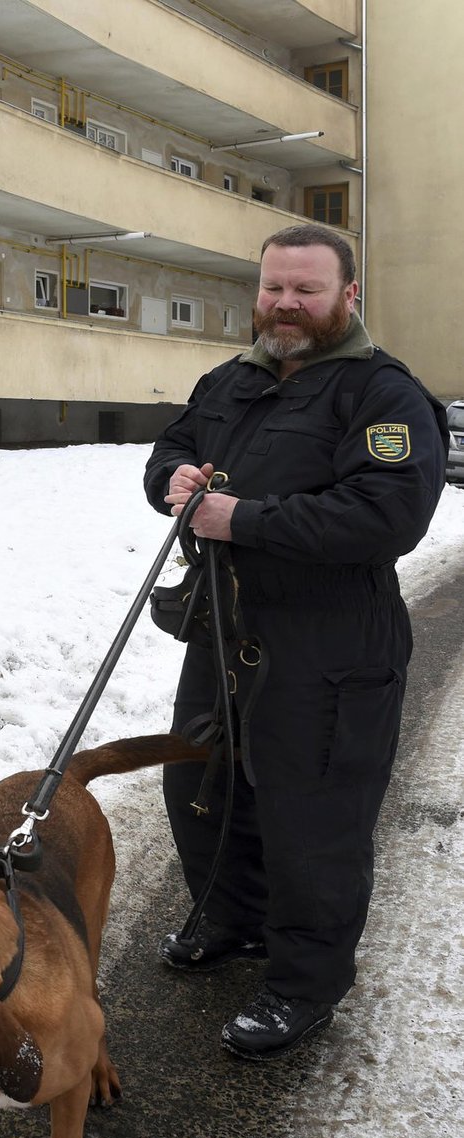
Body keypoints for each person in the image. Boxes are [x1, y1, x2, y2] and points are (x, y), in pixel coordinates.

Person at [144, 223, 448, 1061]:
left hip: (333, 650)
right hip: (224, 629)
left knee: (313, 820)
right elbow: (176, 445)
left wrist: (242, 518)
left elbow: (389, 514)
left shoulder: (381, 393)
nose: (285, 303)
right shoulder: (230, 380)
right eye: (274, 287)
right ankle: (233, 919)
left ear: (348, 296)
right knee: (201, 789)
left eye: (306, 289)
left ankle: (304, 982)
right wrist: (170, 478)